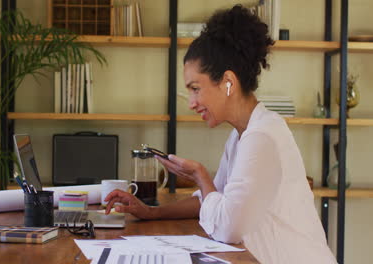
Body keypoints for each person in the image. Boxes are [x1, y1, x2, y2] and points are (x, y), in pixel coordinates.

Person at [104, 5, 336, 264]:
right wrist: (151, 212)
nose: (191, 102)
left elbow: (228, 227)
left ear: (228, 83)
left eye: (195, 88)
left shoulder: (262, 137)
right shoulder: (242, 134)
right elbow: (214, 198)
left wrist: (200, 176)